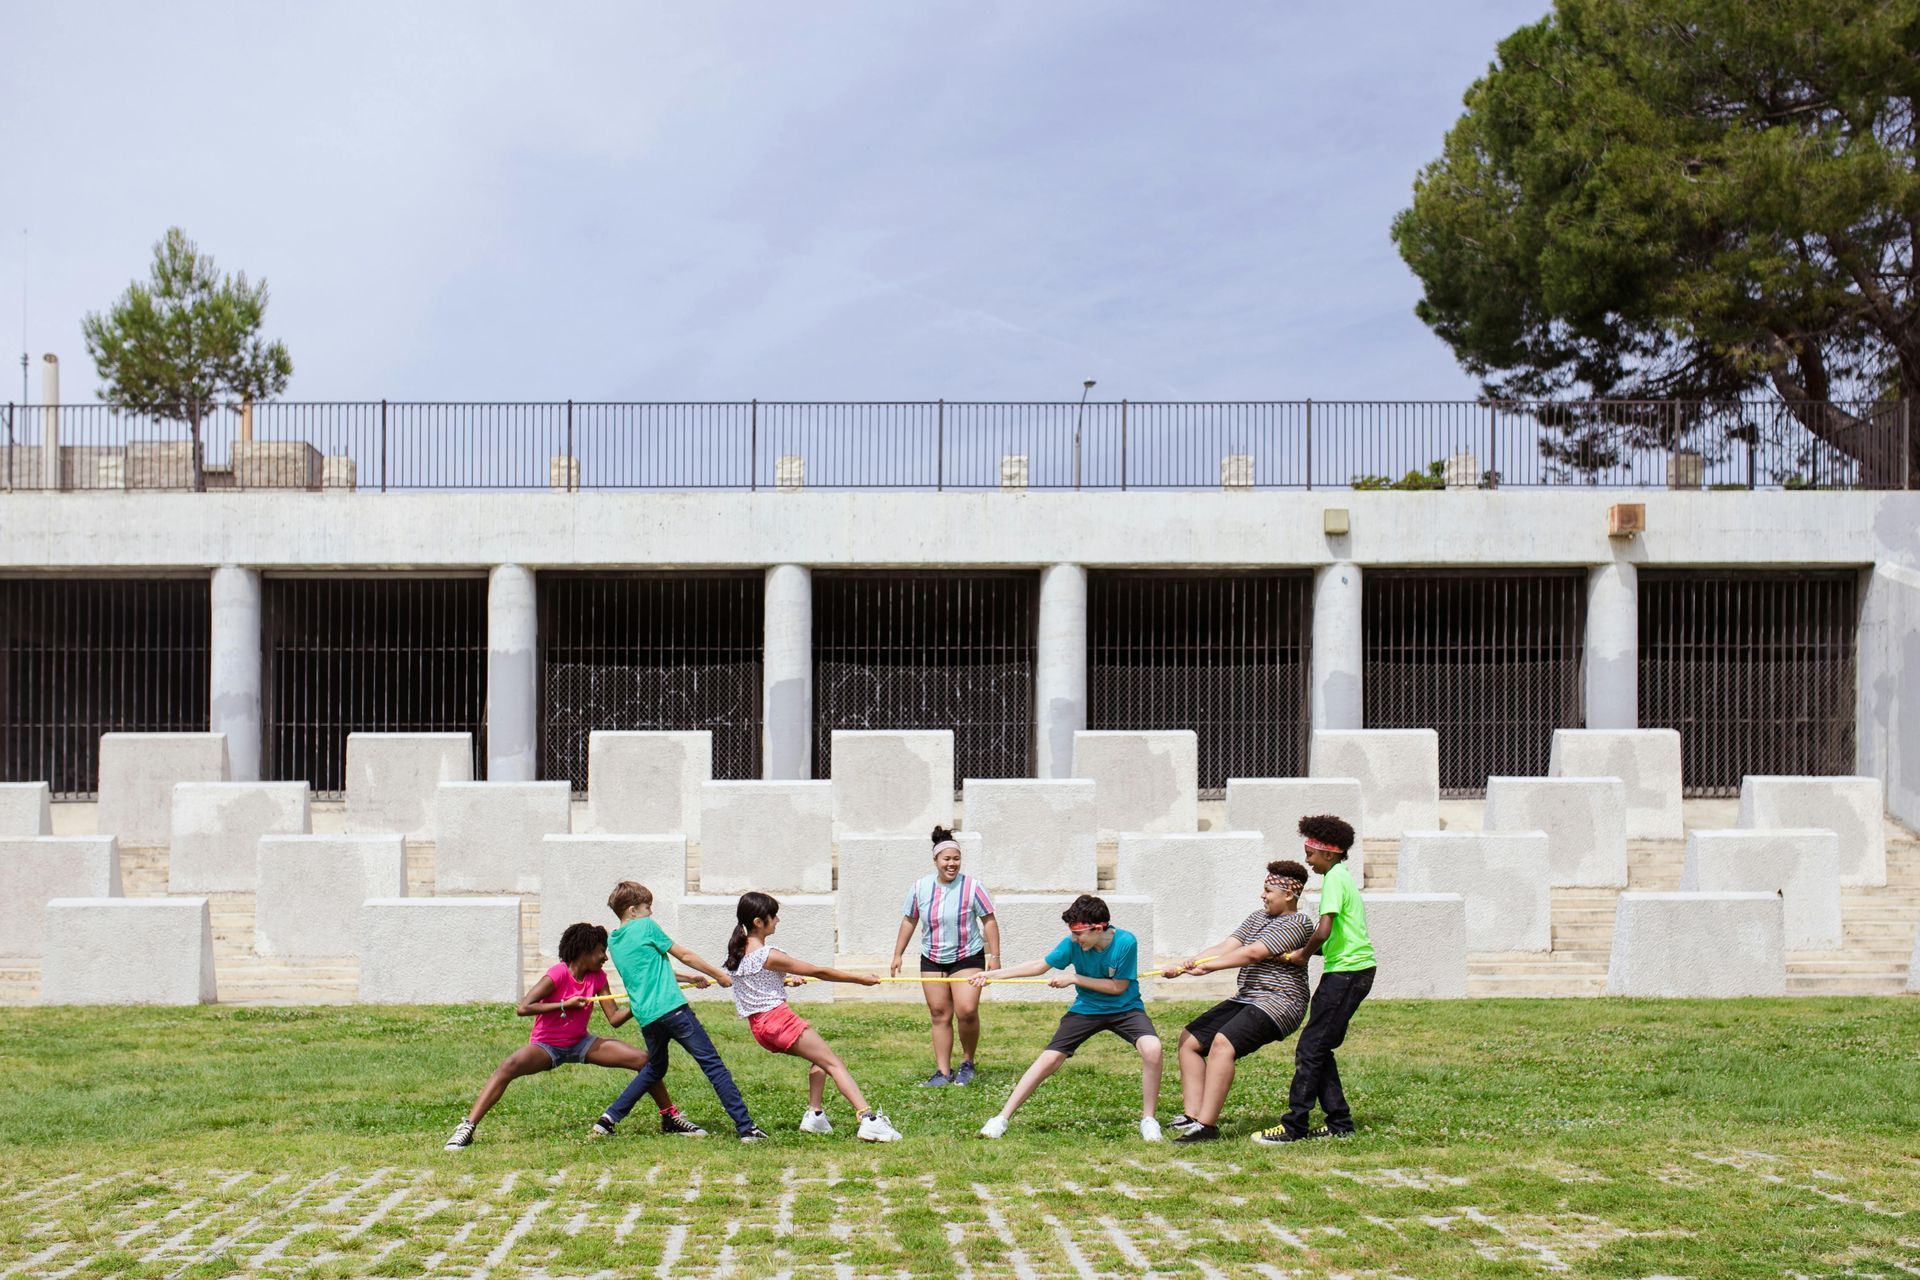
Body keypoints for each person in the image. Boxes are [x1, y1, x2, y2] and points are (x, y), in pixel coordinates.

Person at [445, 921, 680, 1150]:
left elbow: (615, 1019)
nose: (605, 958)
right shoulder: (558, 974)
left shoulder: (598, 977)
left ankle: (670, 1118)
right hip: (547, 1046)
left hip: (581, 1043)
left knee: (644, 1060)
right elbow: (523, 1007)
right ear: (584, 952)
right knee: (508, 1065)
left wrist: (640, 1002)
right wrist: (564, 1005)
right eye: (601, 952)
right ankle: (467, 1127)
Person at [971, 894, 1163, 1142]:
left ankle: (1149, 1120)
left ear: (1098, 928)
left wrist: (1074, 978)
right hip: (1086, 1009)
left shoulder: (1126, 942)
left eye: (1079, 934)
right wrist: (992, 976)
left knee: (1153, 1049)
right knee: (1050, 1059)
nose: (1074, 939)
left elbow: (1117, 987)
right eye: (1072, 933)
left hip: (1125, 1008)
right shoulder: (1073, 944)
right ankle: (1001, 1118)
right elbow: (1039, 965)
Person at [590, 881, 771, 1144]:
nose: (650, 912)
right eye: (646, 907)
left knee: (654, 1068)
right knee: (714, 1066)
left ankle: (608, 1120)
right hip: (673, 1010)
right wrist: (718, 975)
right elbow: (683, 954)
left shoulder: (615, 942)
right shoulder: (646, 926)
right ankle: (747, 1128)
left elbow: (651, 969)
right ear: (632, 910)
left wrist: (689, 978)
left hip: (647, 1017)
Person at [724, 891, 903, 1142]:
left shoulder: (738, 953)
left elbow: (757, 984)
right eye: (773, 916)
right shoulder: (769, 955)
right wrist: (859, 979)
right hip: (779, 1021)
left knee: (822, 1059)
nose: (777, 920)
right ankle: (868, 1119)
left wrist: (784, 981)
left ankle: (815, 1115)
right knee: (834, 1063)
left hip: (761, 1030)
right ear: (757, 922)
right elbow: (819, 971)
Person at [1160, 859, 1315, 1143]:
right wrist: (1189, 964)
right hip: (1248, 997)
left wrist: (1211, 967)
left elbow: (1254, 952)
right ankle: (1193, 1115)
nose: (1263, 895)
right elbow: (1227, 946)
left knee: (1223, 1043)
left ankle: (1207, 1126)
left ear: (1288, 894)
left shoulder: (1298, 923)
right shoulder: (1257, 917)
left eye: (1268, 890)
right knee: (1190, 1039)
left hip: (1281, 1001)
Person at [1253, 814, 1376, 1145]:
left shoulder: (1335, 879)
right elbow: (1336, 936)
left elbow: (1324, 928)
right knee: (1320, 1048)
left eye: (1310, 853)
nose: (1307, 860)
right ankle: (1340, 1122)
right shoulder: (1342, 876)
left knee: (1310, 1048)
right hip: (1351, 969)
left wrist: (1303, 955)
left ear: (1329, 854)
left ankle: (1294, 1126)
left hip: (1348, 973)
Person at [890, 824, 1001, 1087]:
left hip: (967, 956)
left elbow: (989, 921)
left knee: (967, 1010)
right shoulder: (920, 887)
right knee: (939, 1013)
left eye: (956, 859)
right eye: (947, 859)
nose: (952, 864)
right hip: (932, 957)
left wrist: (994, 956)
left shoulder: (973, 887)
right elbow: (909, 921)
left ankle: (967, 1062)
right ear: (936, 860)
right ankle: (942, 1071)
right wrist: (898, 954)